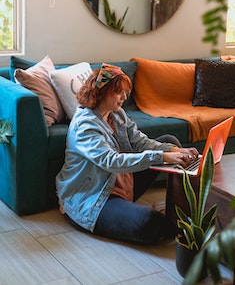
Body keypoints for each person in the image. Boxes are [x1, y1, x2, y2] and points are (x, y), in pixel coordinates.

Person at [56, 63, 199, 245]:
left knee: (170, 141)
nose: (124, 97)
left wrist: (174, 151)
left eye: (125, 92)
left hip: (122, 181)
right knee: (150, 222)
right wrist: (162, 157)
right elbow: (110, 161)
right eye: (120, 92)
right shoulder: (85, 125)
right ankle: (178, 225)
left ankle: (177, 209)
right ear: (103, 92)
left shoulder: (116, 113)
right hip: (94, 197)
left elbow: (140, 142)